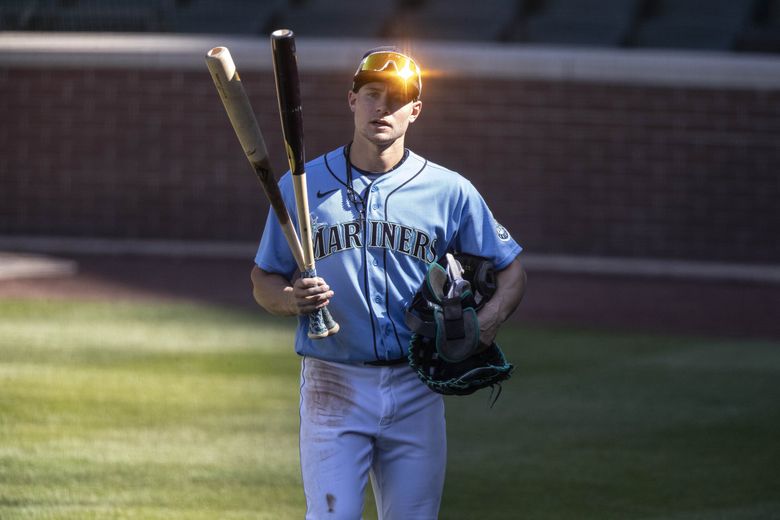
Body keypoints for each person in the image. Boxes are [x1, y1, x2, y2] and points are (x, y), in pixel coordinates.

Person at [251, 46, 526, 520]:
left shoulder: (448, 190)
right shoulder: (304, 183)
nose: (383, 107)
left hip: (416, 383)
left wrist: (488, 321)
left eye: (397, 99)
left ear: (414, 111)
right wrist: (289, 300)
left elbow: (511, 269)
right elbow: (263, 276)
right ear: (351, 101)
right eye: (372, 94)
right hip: (332, 382)